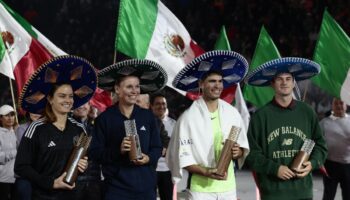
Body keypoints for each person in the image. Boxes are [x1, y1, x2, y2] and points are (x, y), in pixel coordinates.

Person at [167, 50, 250, 200]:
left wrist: (238, 152)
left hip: (229, 189)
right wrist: (206, 172)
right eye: (212, 81)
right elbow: (182, 157)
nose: (217, 85)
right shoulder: (188, 118)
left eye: (220, 81)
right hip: (200, 190)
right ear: (201, 84)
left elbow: (242, 149)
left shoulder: (232, 113)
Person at [244, 57, 328, 200]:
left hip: (303, 193)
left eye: (288, 79)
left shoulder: (307, 112)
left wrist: (312, 163)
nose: (284, 83)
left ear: (294, 82)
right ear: (272, 84)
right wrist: (275, 169)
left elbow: (321, 146)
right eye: (279, 79)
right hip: (273, 194)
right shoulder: (260, 116)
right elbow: (251, 155)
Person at [14, 55, 97, 199]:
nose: (68, 100)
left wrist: (83, 165)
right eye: (62, 96)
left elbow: (82, 160)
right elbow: (21, 167)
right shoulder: (36, 128)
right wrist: (51, 183)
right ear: (50, 99)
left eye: (71, 96)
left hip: (74, 196)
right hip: (44, 196)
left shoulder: (79, 129)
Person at [91, 59, 166, 200]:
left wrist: (148, 158)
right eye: (129, 87)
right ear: (117, 89)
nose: (135, 91)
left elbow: (157, 147)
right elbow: (95, 153)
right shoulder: (104, 119)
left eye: (137, 87)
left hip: (146, 189)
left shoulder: (148, 116)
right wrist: (117, 151)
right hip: (116, 190)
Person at [320, 98, 350, 200]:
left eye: (341, 103)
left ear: (346, 105)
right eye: (335, 103)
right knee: (328, 195)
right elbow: (316, 141)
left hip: (348, 165)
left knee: (348, 194)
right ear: (332, 106)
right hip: (329, 164)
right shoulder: (324, 122)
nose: (338, 106)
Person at [73, 102, 102, 200]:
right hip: (73, 181)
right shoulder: (67, 126)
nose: (81, 105)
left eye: (85, 103)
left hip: (94, 180)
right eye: (78, 102)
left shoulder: (97, 126)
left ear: (90, 106)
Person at [150, 93, 176, 200]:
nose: (161, 106)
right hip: (150, 169)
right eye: (158, 104)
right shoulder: (147, 122)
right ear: (151, 106)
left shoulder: (174, 124)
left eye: (163, 103)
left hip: (167, 170)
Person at [14, 112, 42, 200]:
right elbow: (25, 150)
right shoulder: (21, 129)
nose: (36, 113)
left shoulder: (48, 127)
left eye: (39, 111)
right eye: (33, 110)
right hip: (26, 175)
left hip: (42, 175)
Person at [0, 104, 17, 200]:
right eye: (6, 115)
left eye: (12, 114)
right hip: (3, 179)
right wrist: (15, 152)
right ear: (1, 118)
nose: (10, 118)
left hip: (18, 178)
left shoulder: (15, 132)